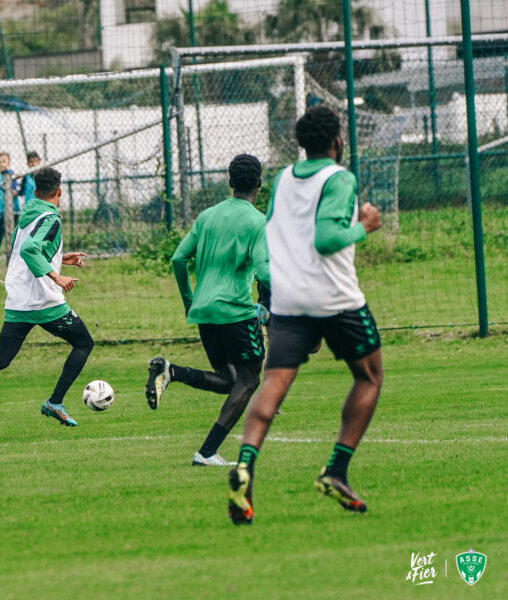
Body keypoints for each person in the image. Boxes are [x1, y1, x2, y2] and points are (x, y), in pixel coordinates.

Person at [228, 106, 383, 525]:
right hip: (334, 296)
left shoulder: (283, 179)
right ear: (336, 141)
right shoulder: (340, 177)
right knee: (369, 376)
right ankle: (336, 470)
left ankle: (244, 466)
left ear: (301, 143)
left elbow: (278, 231)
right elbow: (329, 237)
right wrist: (365, 226)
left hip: (290, 297)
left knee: (275, 382)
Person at [146, 154, 270, 467]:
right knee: (250, 379)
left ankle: (171, 371)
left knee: (229, 381)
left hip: (204, 311)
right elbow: (266, 274)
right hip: (236, 311)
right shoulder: (258, 222)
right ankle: (207, 451)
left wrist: (190, 299)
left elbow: (178, 259)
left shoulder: (207, 216)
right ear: (259, 184)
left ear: (230, 182)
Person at [0, 166, 93, 428]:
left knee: (2, 358)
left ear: (35, 191)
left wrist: (60, 258)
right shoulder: (51, 219)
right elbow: (31, 249)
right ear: (60, 191)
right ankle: (55, 401)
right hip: (44, 300)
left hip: (19, 299)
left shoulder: (29, 213)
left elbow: (26, 250)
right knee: (84, 343)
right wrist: (57, 277)